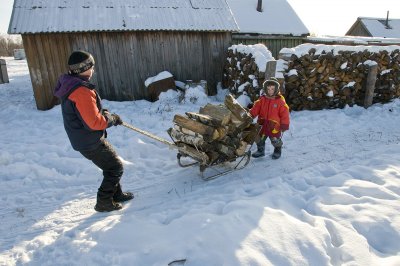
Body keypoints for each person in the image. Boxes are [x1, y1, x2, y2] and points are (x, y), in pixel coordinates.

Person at [54, 50, 133, 212]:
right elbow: (94, 123)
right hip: (89, 141)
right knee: (115, 168)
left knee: (110, 164)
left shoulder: (72, 84)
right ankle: (104, 202)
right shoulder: (81, 91)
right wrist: (111, 119)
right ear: (85, 68)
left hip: (84, 138)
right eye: (92, 66)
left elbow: (86, 114)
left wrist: (103, 113)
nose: (94, 69)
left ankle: (115, 194)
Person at [249, 78, 290, 159]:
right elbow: (255, 109)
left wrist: (284, 125)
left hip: (274, 126)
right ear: (265, 89)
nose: (270, 91)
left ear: (276, 89)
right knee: (259, 138)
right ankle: (261, 150)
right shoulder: (262, 100)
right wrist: (250, 115)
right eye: (268, 89)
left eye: (272, 89)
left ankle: (277, 150)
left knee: (275, 139)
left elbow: (285, 114)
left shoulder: (280, 102)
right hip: (262, 124)